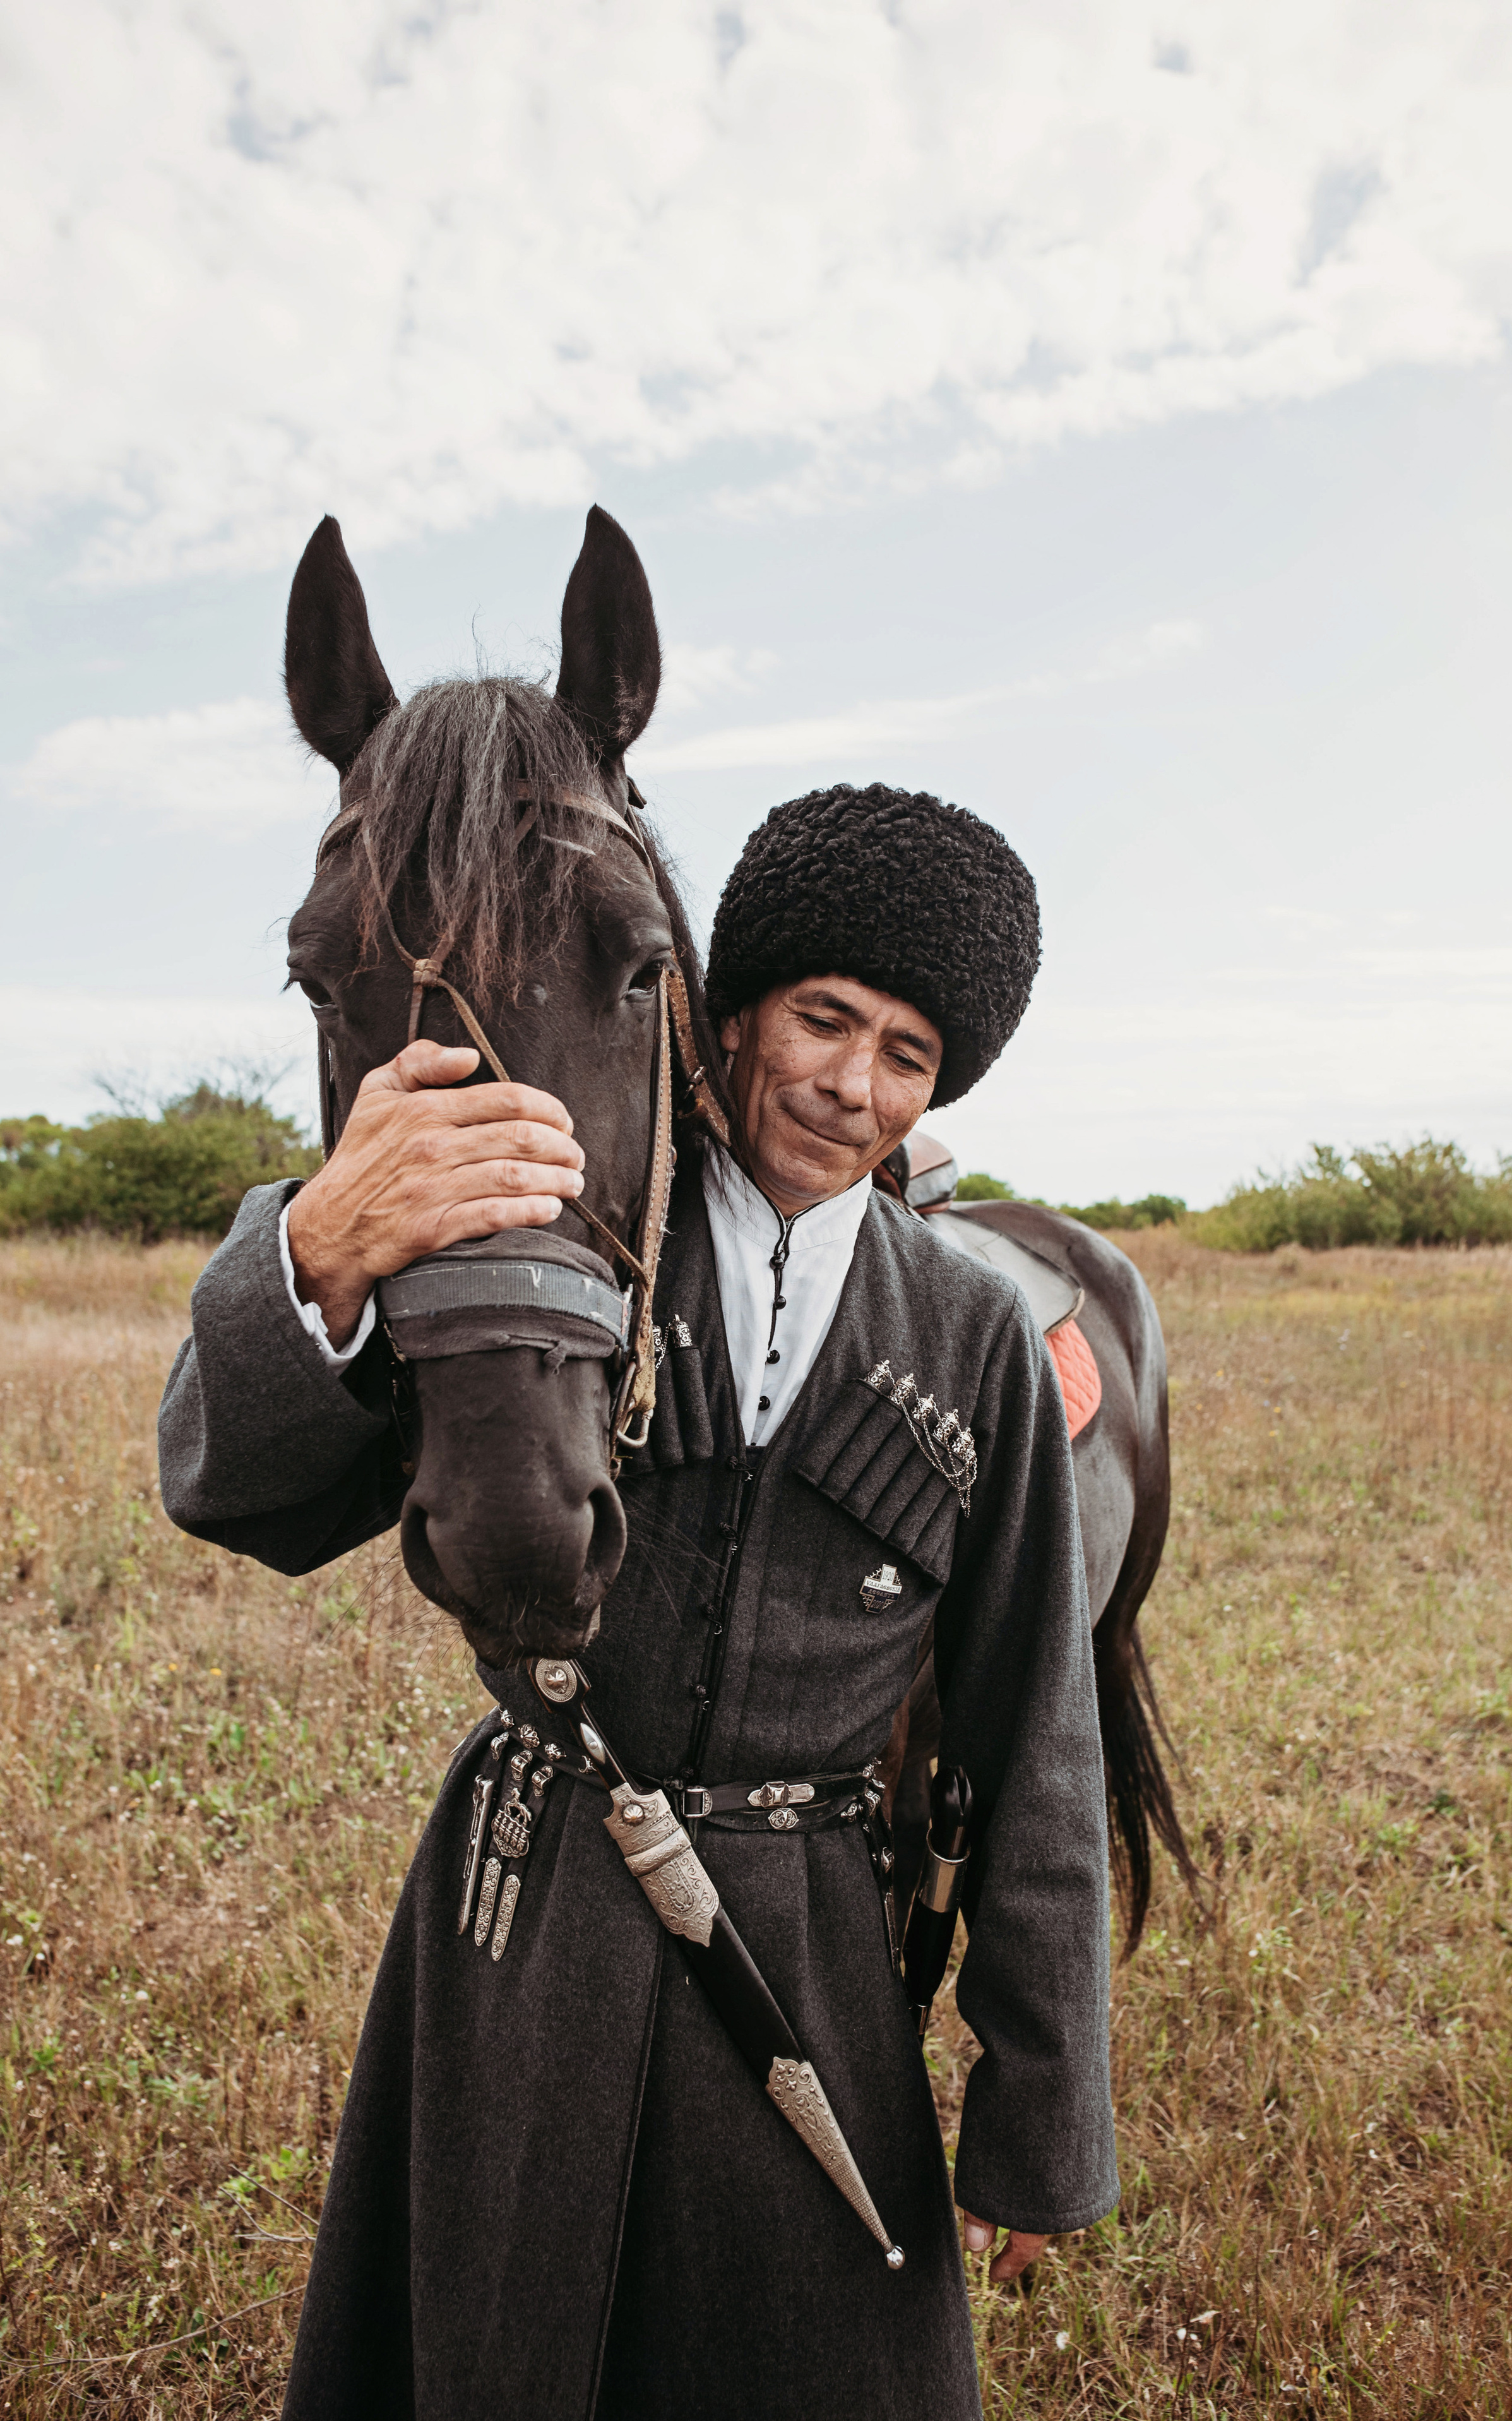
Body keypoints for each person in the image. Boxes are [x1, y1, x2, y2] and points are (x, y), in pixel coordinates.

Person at [160, 780, 1117, 2421]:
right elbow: (241, 1489)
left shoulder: (971, 1338)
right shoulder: (546, 1233)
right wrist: (316, 1248)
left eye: (909, 1052)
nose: (851, 1082)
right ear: (725, 1010)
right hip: (522, 1909)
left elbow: (1039, 1737)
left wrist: (1043, 2114)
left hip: (808, 1938)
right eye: (823, 1018)